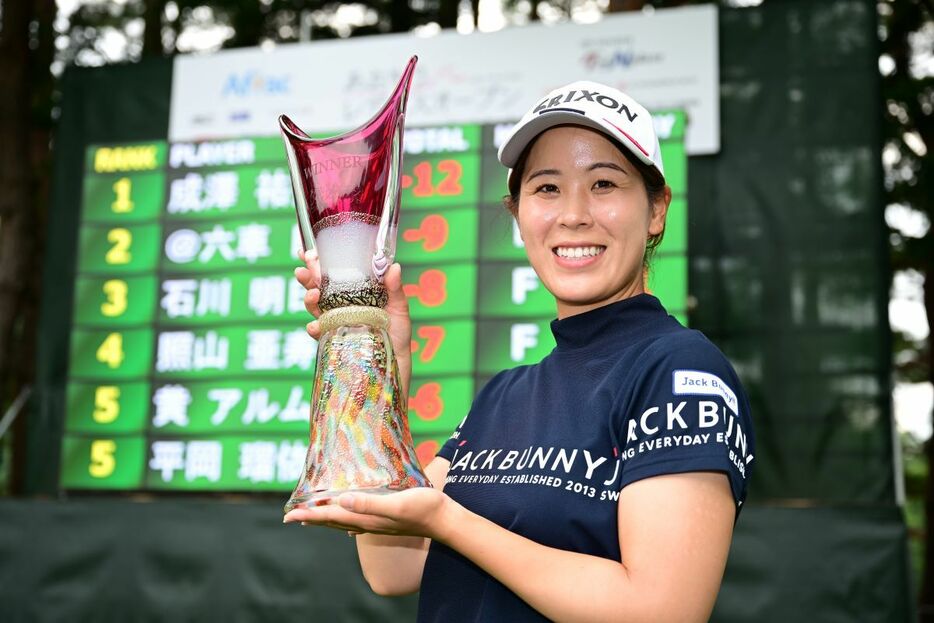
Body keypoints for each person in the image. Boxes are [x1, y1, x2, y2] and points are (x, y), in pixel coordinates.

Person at [285, 80, 755, 622]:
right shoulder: (504, 394)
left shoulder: (680, 371)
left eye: (604, 184)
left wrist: (447, 520)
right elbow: (394, 570)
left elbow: (660, 611)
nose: (573, 214)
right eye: (547, 188)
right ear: (519, 213)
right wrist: (383, 373)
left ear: (656, 209)